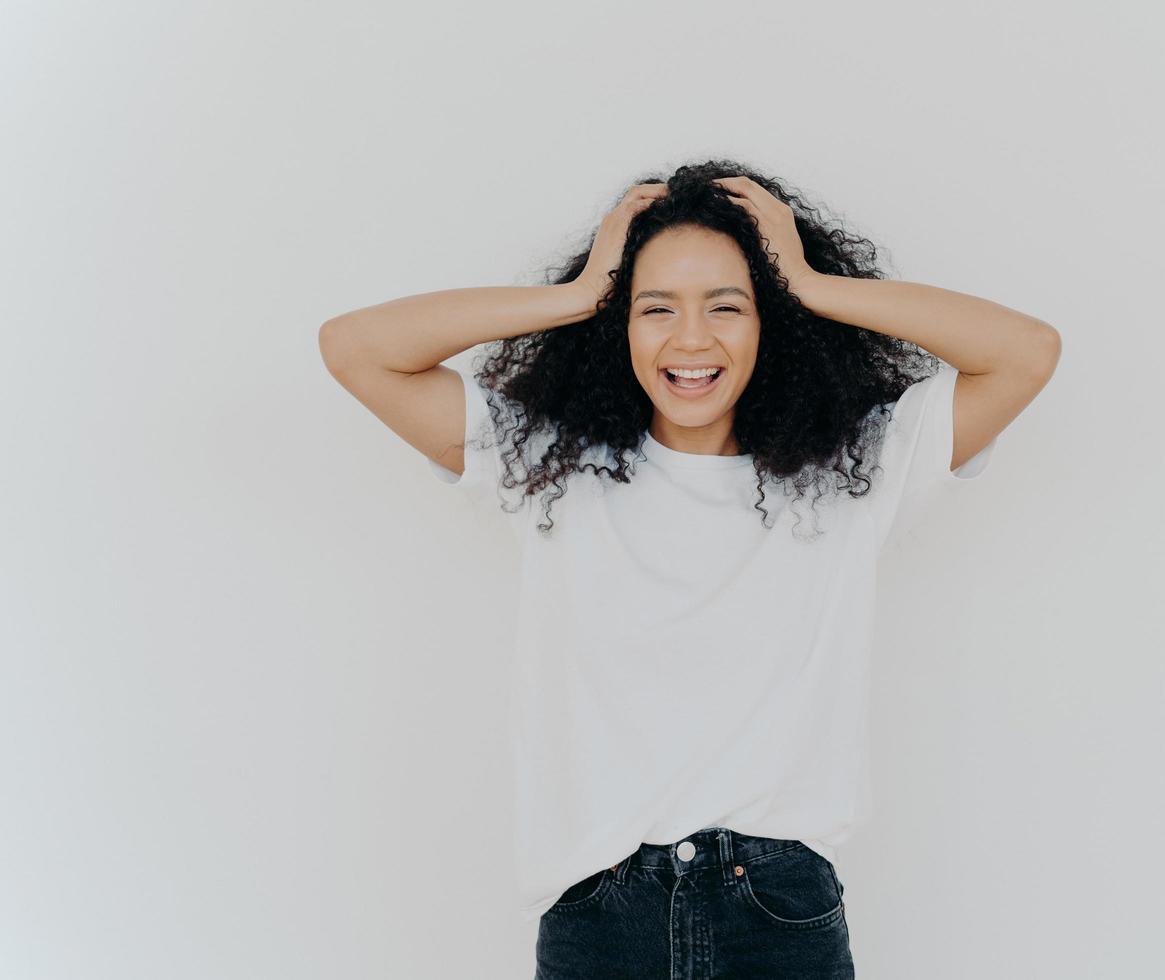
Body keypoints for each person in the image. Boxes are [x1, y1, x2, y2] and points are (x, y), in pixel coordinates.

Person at [318, 161, 1061, 977]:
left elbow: (1026, 352)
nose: (692, 339)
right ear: (618, 324)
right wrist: (576, 298)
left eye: (728, 307)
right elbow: (354, 349)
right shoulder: (550, 468)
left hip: (778, 911)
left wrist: (807, 283)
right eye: (654, 308)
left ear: (771, 323)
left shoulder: (857, 468)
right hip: (598, 914)